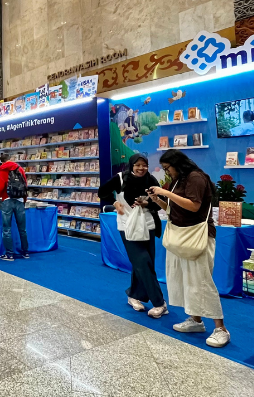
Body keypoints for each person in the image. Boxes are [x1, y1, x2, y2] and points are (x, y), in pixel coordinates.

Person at [147, 149, 230, 348]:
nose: (167, 172)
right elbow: (174, 208)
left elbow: (194, 206)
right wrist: (158, 200)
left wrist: (164, 192)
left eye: (168, 168)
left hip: (197, 236)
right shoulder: (179, 180)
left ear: (178, 163)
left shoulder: (196, 177)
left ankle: (221, 328)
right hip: (181, 235)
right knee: (186, 279)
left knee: (201, 280)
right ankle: (196, 320)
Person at [98, 154, 167, 318]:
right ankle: (160, 303)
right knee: (142, 261)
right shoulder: (121, 178)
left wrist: (148, 203)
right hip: (127, 226)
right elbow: (102, 192)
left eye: (144, 165)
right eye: (138, 165)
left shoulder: (150, 180)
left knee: (145, 263)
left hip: (148, 225)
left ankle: (134, 295)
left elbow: (161, 202)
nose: (141, 168)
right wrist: (115, 203)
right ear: (132, 165)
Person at [0, 153, 29, 261]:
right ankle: (25, 252)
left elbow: (0, 186)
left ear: (2, 162)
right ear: (10, 159)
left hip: (7, 200)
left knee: (7, 228)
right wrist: (24, 199)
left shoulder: (3, 170)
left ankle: (9, 254)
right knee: (22, 229)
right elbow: (25, 185)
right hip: (19, 200)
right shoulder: (20, 168)